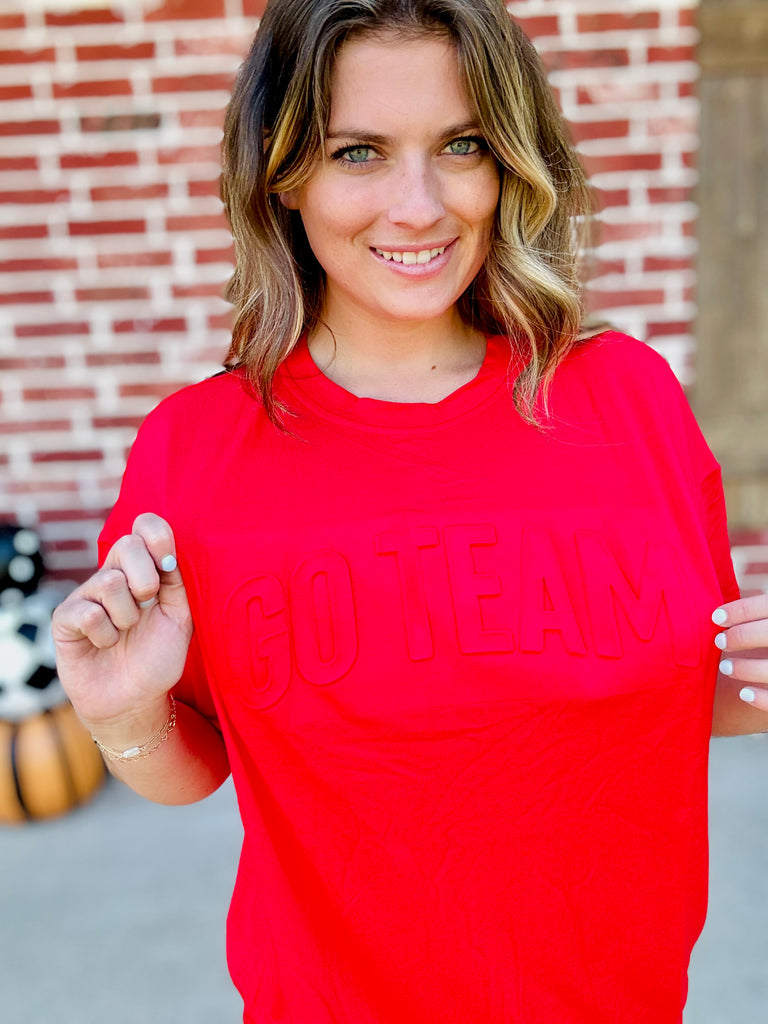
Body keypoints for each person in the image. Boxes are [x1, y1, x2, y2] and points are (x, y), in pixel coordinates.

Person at [51, 1, 768, 1021]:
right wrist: (121, 713)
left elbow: (674, 693)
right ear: (281, 168)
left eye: (461, 145)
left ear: (512, 158)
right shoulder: (196, 452)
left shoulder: (629, 398)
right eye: (358, 153)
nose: (420, 205)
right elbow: (193, 765)